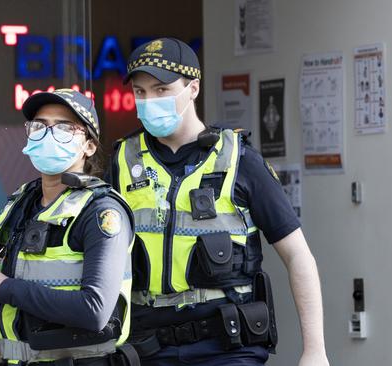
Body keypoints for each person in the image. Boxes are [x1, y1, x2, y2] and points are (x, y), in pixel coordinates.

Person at [107, 38, 329, 366]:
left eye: (161, 90)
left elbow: (298, 256)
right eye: (140, 92)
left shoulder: (240, 160)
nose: (149, 100)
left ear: (193, 88)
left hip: (226, 346)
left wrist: (314, 351)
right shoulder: (123, 160)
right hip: (148, 346)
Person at [0, 89, 138, 365]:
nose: (48, 135)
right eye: (39, 126)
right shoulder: (21, 207)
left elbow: (95, 311)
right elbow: (8, 312)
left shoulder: (101, 212)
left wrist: (6, 288)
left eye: (63, 127)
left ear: (89, 146)